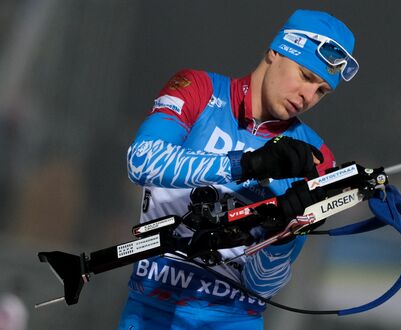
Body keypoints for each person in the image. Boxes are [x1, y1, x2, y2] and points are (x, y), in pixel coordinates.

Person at [119, 9, 360, 330]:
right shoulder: (198, 88)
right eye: (305, 76)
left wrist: (282, 236)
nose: (307, 97)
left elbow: (265, 286)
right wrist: (245, 164)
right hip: (153, 310)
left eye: (321, 91)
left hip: (232, 320)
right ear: (276, 51)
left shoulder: (315, 158)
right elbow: (142, 161)